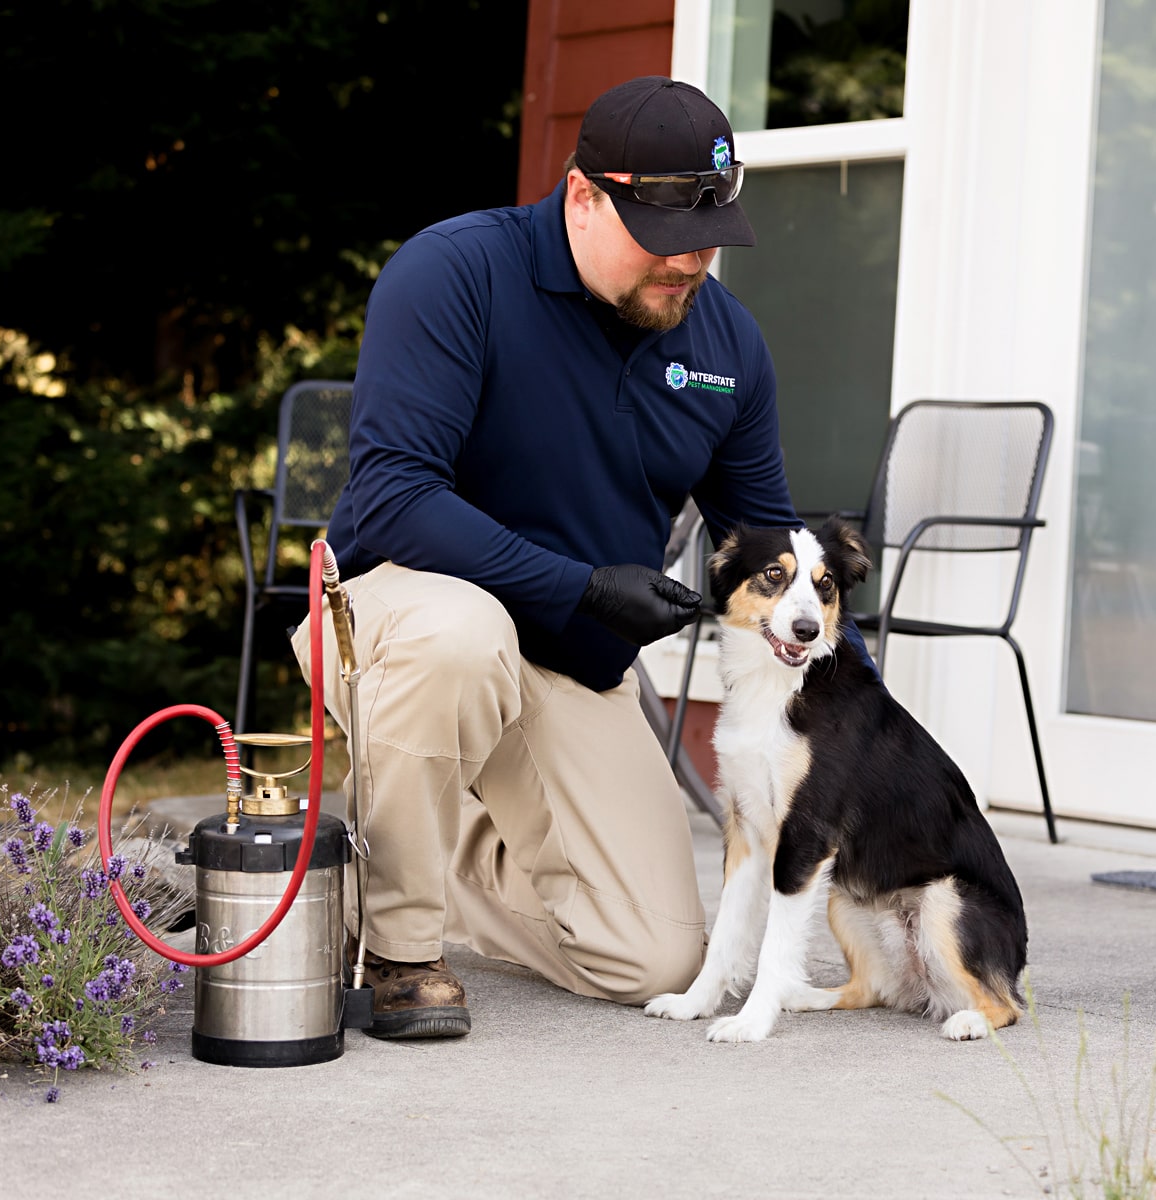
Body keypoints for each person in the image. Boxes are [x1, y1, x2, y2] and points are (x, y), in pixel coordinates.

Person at [295, 76, 855, 1039]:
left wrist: (870, 733)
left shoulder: (727, 345)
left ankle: (396, 855)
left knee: (655, 956)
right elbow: (393, 497)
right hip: (407, 616)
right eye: (663, 233)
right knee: (462, 635)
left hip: (568, 658)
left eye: (711, 232)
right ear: (584, 197)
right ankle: (397, 949)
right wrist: (584, 587)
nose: (690, 260)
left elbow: (774, 558)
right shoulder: (454, 273)